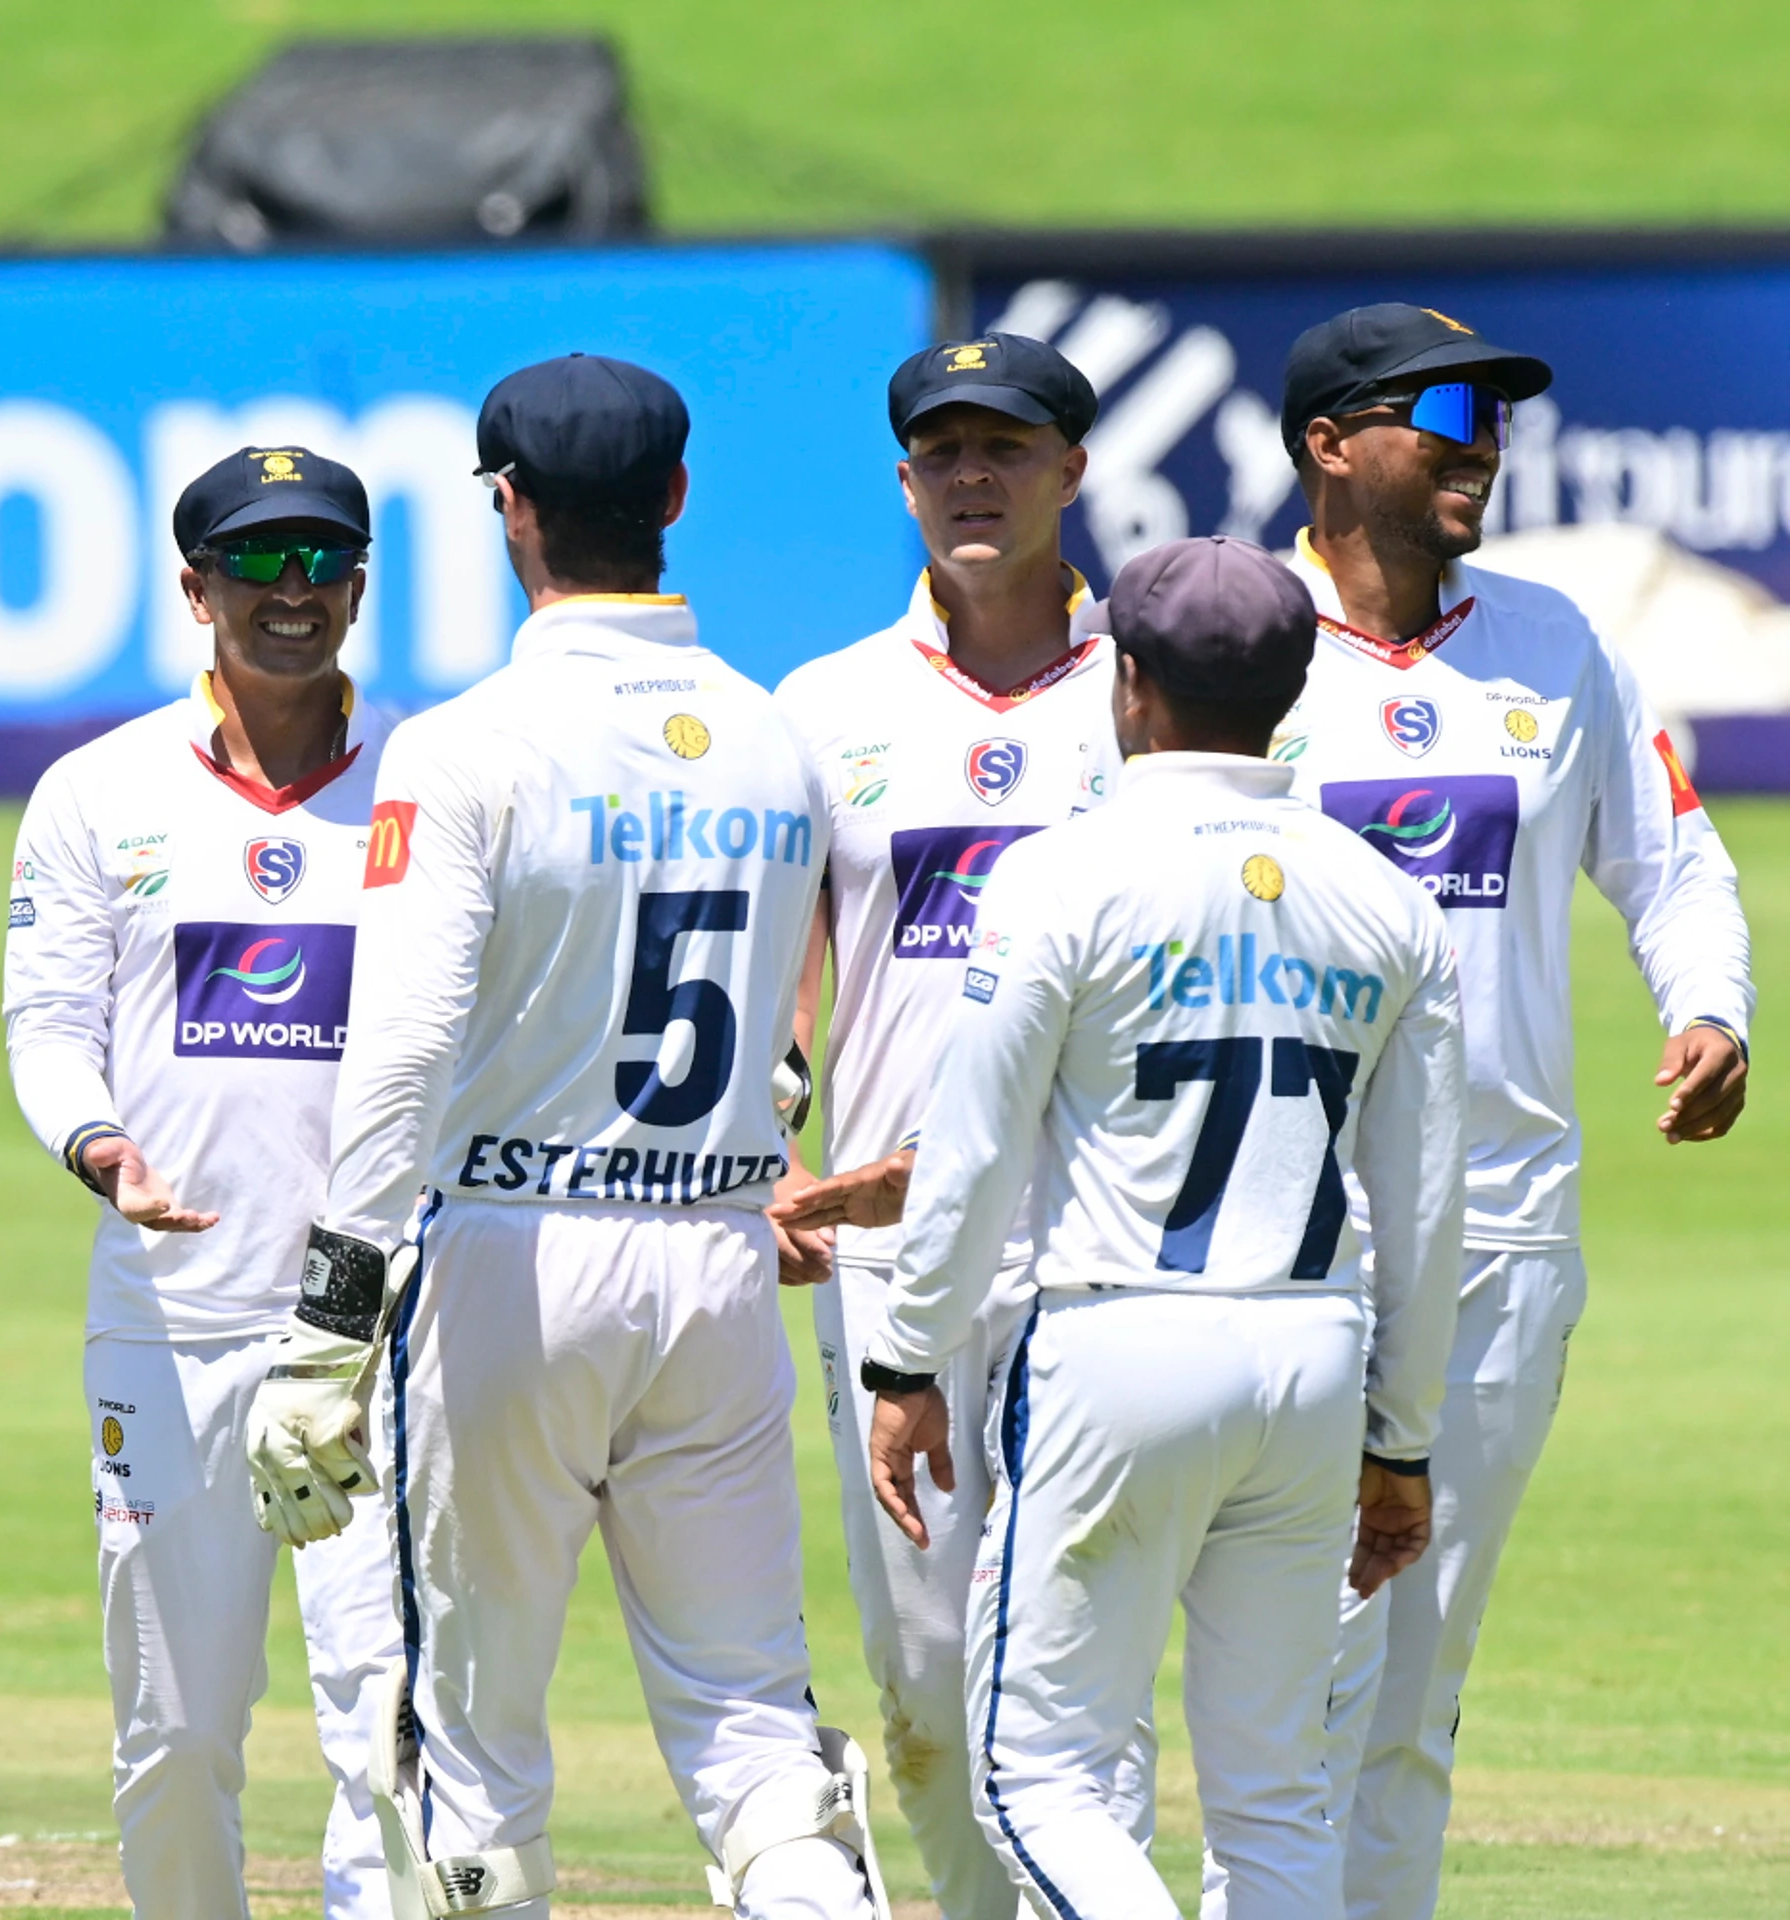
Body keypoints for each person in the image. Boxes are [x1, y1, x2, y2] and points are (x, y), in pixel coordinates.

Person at [243, 355, 886, 1920]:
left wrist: (329, 1329)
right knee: (753, 1739)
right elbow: (786, 1023)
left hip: (509, 1266)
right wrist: (749, 1151)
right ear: (673, 502)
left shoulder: (466, 745)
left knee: (467, 1754)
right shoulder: (773, 736)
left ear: (508, 512)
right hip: (719, 1261)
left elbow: (397, 1050)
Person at [865, 534, 1467, 1919]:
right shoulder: (1387, 897)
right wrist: (1404, 1440)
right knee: (1273, 1800)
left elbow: (970, 1153)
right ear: (1296, 689)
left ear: (1124, 683)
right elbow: (1426, 1205)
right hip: (1314, 1356)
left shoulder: (1056, 877)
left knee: (1037, 1779)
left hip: (1115, 1340)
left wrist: (906, 1362)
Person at [1269, 303, 1753, 1919]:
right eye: (1447, 411)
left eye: (1498, 413)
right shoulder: (1231, 638)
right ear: (1332, 444)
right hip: (1275, 1233)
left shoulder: (1557, 643)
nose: (1485, 438)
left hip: (1499, 1230)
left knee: (1415, 1689)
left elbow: (1673, 862)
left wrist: (1710, 1005)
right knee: (1297, 1680)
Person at [763, 334, 1140, 1919]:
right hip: (896, 1252)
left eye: (1011, 447)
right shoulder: (826, 704)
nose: (974, 478)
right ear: (906, 479)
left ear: (1072, 469)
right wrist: (778, 1146)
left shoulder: (1154, 688)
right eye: (945, 452)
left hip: (1105, 1228)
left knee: (1072, 1667)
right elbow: (794, 969)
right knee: (924, 1677)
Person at [3, 445, 405, 1920]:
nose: (288, 594)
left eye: (318, 563)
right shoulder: (98, 793)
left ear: (360, 584)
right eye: (255, 563)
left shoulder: (433, 783)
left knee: (389, 1739)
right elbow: (47, 1028)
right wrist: (102, 1152)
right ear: (194, 587)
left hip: (381, 1333)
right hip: (170, 1323)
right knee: (175, 1738)